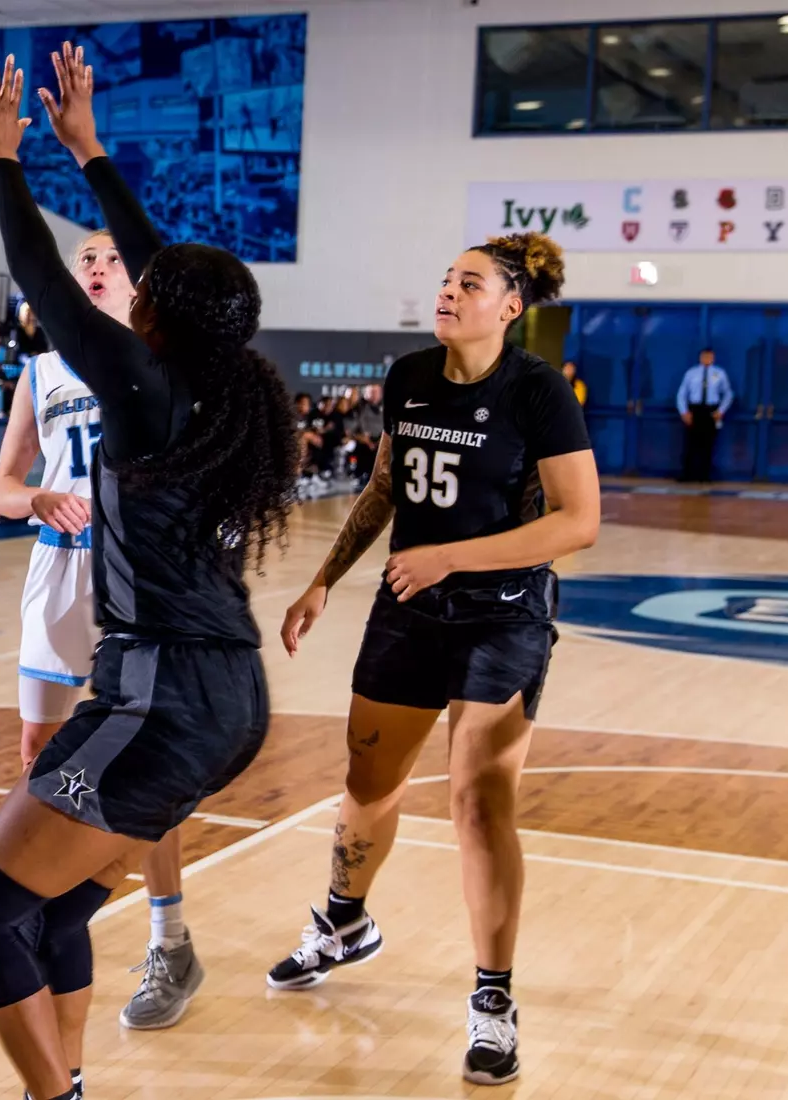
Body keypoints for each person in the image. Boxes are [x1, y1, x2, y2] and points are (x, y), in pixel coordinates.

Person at [0, 48, 300, 1100]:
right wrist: (90, 152)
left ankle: (54, 1097)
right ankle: (68, 1078)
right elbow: (163, 269)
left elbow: (51, 288)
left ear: (156, 310)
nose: (135, 286)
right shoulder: (229, 375)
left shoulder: (144, 382)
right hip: (223, 695)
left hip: (163, 692)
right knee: (47, 909)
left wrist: (5, 164)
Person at [268, 233, 597, 1087]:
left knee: (479, 803)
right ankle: (344, 923)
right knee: (367, 782)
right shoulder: (410, 376)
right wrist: (323, 579)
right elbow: (385, 489)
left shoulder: (538, 392)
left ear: (509, 307)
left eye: (470, 283)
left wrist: (453, 557)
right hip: (408, 610)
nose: (449, 292)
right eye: (447, 280)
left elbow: (577, 521)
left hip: (505, 614)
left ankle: (493, 999)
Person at [0, 224, 208, 1032]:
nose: (97, 269)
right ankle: (45, 916)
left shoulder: (167, 366)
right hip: (58, 566)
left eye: (113, 259)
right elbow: (1, 488)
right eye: (84, 260)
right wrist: (38, 498)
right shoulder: (41, 372)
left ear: (140, 281)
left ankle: (169, 939)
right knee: (41, 760)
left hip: (139, 577)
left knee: (145, 765)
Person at [676, 348, 730, 483]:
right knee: (690, 443)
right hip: (695, 409)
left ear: (713, 358)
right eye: (704, 356)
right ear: (700, 357)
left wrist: (721, 410)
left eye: (709, 356)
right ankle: (687, 474)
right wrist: (684, 411)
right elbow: (682, 393)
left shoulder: (719, 373)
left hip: (710, 410)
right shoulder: (691, 373)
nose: (706, 359)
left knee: (708, 444)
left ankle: (704, 475)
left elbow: (728, 393)